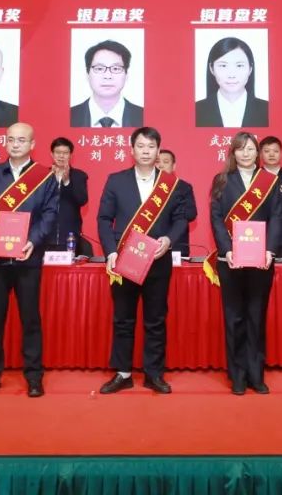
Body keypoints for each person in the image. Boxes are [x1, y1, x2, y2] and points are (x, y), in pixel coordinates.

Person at [96, 127, 192, 395]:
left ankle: (153, 374)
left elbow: (181, 219)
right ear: (132, 150)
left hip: (157, 259)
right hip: (124, 259)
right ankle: (123, 373)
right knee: (123, 318)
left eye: (151, 146)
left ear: (158, 150)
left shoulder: (171, 184)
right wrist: (111, 252)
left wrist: (168, 240)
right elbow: (104, 219)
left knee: (155, 318)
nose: (146, 151)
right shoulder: (116, 180)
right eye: (141, 146)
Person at [0, 122, 58, 398]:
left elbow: (50, 215)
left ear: (32, 145)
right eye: (11, 139)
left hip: (28, 258)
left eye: (21, 140)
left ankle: (34, 376)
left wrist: (32, 240)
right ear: (5, 143)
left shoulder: (45, 177)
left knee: (30, 319)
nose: (15, 144)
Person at [209, 132, 282, 395]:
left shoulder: (269, 181)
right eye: (240, 149)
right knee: (234, 318)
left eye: (251, 148)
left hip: (261, 261)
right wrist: (227, 250)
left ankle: (256, 375)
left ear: (257, 152)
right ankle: (237, 375)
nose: (246, 153)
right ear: (233, 152)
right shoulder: (221, 180)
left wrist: (270, 250)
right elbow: (216, 219)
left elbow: (277, 217)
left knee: (256, 317)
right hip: (230, 261)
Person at [195, 37, 269, 127]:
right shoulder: (195, 110)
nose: (231, 75)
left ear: (250, 68)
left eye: (239, 65)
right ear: (211, 68)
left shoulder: (268, 110)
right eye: (223, 66)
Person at [70, 40, 143, 127]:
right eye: (99, 68)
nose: (108, 76)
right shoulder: (69, 116)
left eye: (116, 69)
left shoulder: (142, 116)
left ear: (126, 75)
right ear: (87, 74)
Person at [47, 137, 91, 256]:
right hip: (46, 236)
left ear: (71, 155)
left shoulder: (79, 176)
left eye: (65, 153)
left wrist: (67, 182)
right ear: (52, 154)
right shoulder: (43, 175)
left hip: (70, 236)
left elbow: (82, 200)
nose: (61, 156)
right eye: (58, 152)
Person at [157, 149, 198, 259]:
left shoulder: (183, 187)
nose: (160, 165)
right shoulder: (145, 187)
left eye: (166, 162)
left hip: (176, 246)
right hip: (149, 247)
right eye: (157, 162)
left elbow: (191, 214)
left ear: (173, 166)